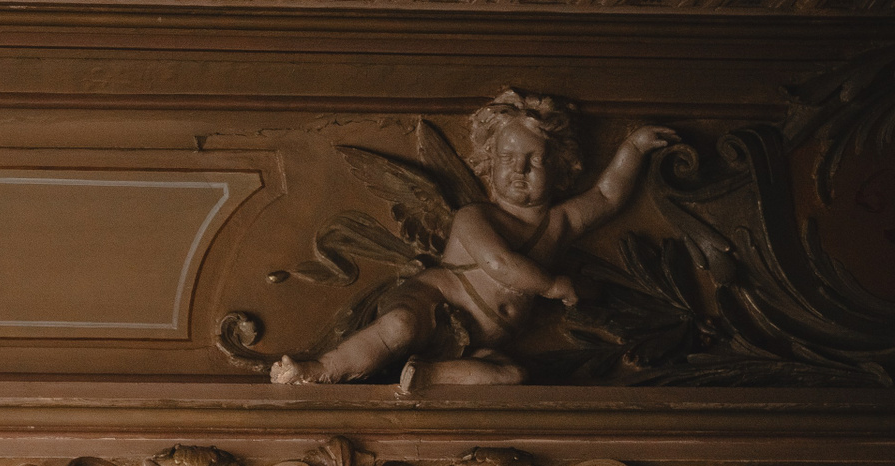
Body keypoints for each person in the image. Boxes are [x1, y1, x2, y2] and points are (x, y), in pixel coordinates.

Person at [271, 91, 679, 389]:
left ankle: (427, 375)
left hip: (475, 341)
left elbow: (607, 196)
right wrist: (554, 286)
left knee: (512, 375)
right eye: (507, 158)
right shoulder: (475, 216)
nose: (519, 170)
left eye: (535, 160)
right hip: (435, 301)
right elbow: (499, 264)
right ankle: (318, 370)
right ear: (488, 163)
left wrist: (634, 148)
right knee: (398, 326)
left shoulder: (562, 222)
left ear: (560, 167)